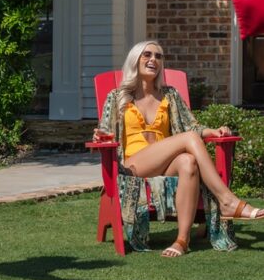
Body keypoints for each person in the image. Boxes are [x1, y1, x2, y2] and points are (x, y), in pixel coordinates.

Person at [93, 39, 264, 258]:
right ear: (135, 60)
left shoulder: (170, 95)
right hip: (134, 166)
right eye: (147, 55)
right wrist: (100, 135)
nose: (153, 59)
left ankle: (182, 240)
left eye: (158, 56)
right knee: (189, 140)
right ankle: (228, 201)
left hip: (165, 164)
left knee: (188, 162)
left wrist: (213, 131)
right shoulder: (117, 97)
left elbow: (191, 126)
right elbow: (104, 131)